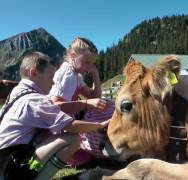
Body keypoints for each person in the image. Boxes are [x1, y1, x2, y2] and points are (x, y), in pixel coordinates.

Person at [0, 51, 109, 180]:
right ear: (33, 73)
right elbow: (72, 126)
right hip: (11, 165)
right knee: (72, 139)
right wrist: (99, 125)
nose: (53, 83)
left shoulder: (17, 92)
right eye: (50, 77)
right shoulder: (35, 100)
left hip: (5, 160)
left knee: (51, 133)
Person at [49, 37, 114, 165]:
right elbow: (55, 107)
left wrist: (95, 74)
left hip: (70, 124)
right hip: (62, 128)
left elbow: (94, 96)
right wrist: (86, 104)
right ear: (73, 56)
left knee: (108, 105)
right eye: (87, 62)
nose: (90, 67)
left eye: (93, 63)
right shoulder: (67, 75)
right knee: (107, 111)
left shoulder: (76, 75)